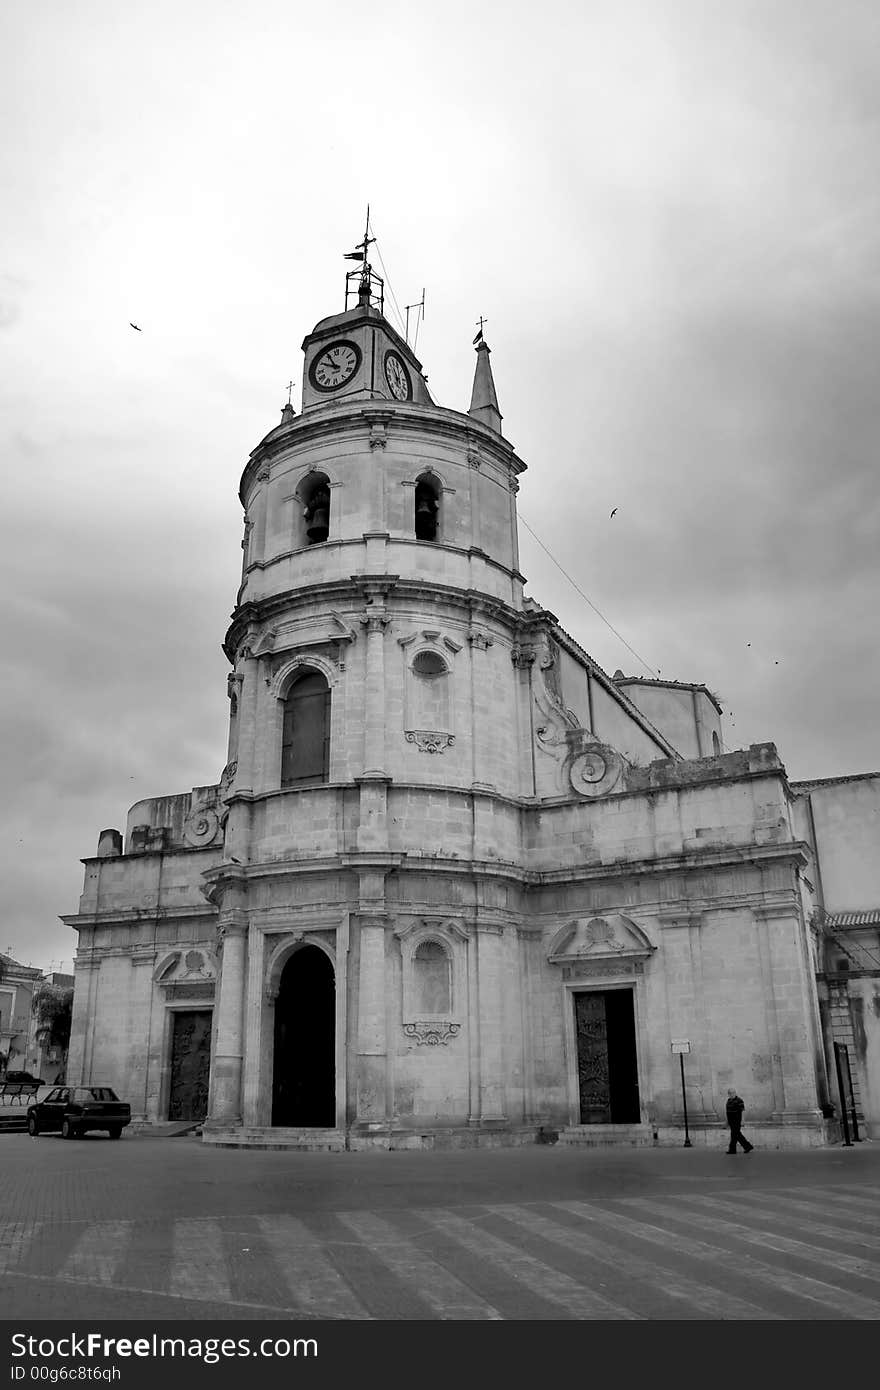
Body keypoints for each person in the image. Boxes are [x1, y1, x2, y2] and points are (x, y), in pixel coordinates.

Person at [725, 1088, 754, 1153]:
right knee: (736, 1135)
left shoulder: (739, 1100)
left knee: (734, 1134)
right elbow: (728, 1112)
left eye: (733, 1093)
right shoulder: (728, 1101)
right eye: (730, 1093)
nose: (732, 1094)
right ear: (728, 1094)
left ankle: (733, 1150)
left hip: (737, 1121)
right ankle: (747, 1146)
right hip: (731, 1121)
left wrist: (742, 1120)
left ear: (735, 1093)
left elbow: (742, 1111)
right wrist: (726, 1122)